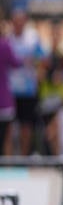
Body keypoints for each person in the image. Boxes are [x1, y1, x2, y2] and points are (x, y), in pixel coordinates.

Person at [6, 8, 47, 155]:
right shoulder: (7, 40)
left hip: (28, 91)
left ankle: (23, 158)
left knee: (26, 127)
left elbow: (43, 59)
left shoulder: (32, 39)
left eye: (21, 21)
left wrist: (38, 70)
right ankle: (9, 161)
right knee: (9, 128)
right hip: (9, 92)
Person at [0, 23, 23, 154]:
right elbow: (17, 63)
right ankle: (6, 169)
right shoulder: (5, 45)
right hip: (4, 100)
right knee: (7, 137)